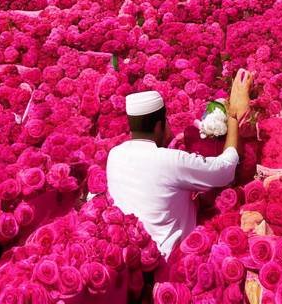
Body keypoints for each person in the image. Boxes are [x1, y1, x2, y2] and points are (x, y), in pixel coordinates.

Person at [106, 68, 254, 260]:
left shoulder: (114, 155)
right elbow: (225, 169)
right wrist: (234, 115)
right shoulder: (168, 160)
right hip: (170, 259)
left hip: (132, 254)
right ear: (159, 125)